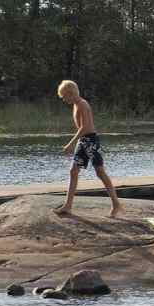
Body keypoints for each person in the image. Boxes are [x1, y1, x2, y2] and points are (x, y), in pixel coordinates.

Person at [54, 80, 123, 218]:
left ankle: (116, 204)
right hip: (83, 141)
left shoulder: (82, 104)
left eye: (64, 96)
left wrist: (70, 144)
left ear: (71, 93)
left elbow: (84, 127)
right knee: (73, 171)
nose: (64, 100)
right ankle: (68, 206)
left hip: (90, 140)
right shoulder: (75, 105)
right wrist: (77, 142)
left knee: (100, 172)